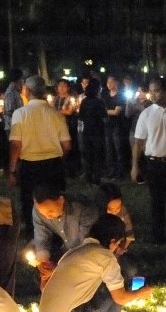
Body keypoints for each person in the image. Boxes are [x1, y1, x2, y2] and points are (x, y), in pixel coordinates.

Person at [40, 214, 153, 312]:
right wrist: (141, 293)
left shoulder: (73, 251)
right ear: (112, 241)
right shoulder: (105, 257)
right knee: (117, 291)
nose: (117, 248)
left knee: (108, 288)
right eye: (118, 244)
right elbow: (120, 298)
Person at [8, 75, 71, 233]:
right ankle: (58, 232)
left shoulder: (20, 114)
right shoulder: (56, 114)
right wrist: (57, 156)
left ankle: (33, 233)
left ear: (27, 90)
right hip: (54, 165)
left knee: (31, 201)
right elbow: (67, 145)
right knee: (55, 199)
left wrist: (12, 170)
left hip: (31, 166)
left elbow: (16, 145)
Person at [131, 77, 166, 246]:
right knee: (156, 202)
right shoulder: (146, 114)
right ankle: (158, 237)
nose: (153, 94)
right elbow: (139, 142)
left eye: (157, 90)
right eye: (151, 90)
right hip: (153, 163)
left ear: (165, 91)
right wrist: (135, 166)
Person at [31, 183, 101, 290]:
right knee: (40, 271)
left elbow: (85, 247)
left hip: (89, 254)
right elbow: (42, 238)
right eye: (42, 212)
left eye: (50, 211)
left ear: (61, 200)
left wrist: (59, 268)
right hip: (66, 250)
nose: (47, 216)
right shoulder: (39, 211)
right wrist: (44, 265)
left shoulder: (84, 209)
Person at [77, 78, 107, 185]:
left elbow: (80, 117)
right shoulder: (99, 102)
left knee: (88, 156)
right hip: (98, 132)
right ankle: (97, 179)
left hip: (87, 131)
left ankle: (88, 178)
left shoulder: (84, 101)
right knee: (97, 156)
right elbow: (104, 117)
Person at [102, 75, 127, 180]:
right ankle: (111, 171)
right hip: (107, 125)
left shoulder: (120, 95)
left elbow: (116, 112)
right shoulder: (105, 95)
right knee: (109, 149)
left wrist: (104, 111)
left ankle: (120, 172)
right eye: (108, 82)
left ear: (116, 83)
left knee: (118, 149)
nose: (109, 84)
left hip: (117, 125)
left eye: (112, 82)